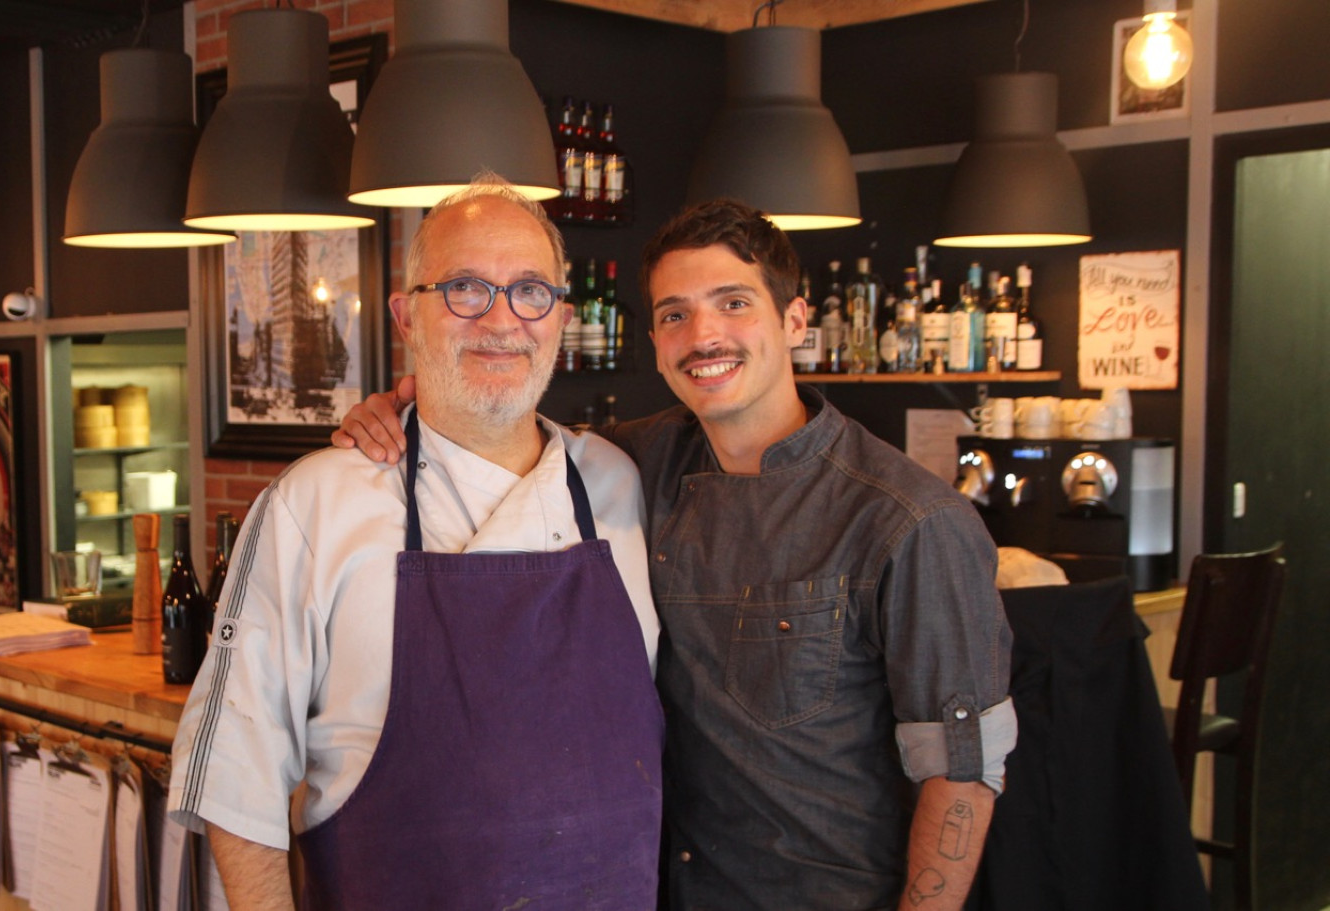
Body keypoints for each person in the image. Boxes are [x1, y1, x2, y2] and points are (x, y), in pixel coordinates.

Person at [335, 198, 1017, 910]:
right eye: (674, 314)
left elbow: (961, 771)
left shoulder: (910, 520)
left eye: (733, 303)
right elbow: (499, 430)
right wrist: (401, 408)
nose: (703, 335)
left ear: (794, 321)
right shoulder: (634, 463)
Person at [169, 177, 664, 910]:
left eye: (531, 291)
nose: (502, 319)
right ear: (407, 316)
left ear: (561, 317)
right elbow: (234, 770)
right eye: (465, 287)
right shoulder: (316, 502)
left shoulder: (617, 483)